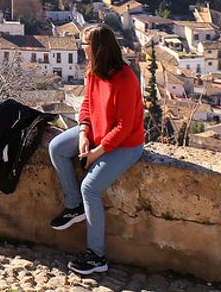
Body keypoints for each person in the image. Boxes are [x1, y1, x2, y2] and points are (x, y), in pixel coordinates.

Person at [48, 24, 145, 276]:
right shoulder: (93, 71)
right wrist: (82, 132)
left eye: (85, 44)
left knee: (90, 188)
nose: (81, 48)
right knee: (57, 147)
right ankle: (73, 206)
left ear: (98, 48)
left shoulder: (125, 79)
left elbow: (124, 127)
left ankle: (96, 256)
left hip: (126, 145)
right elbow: (88, 104)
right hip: (96, 132)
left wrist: (96, 152)